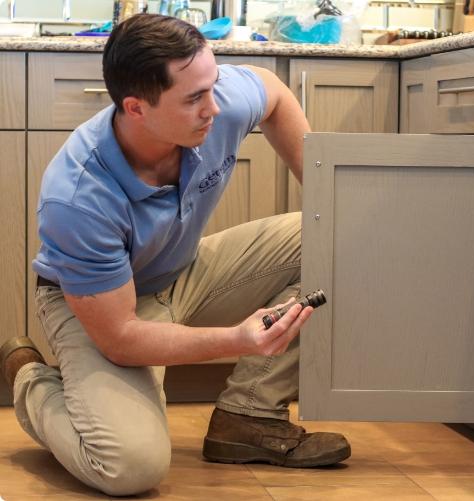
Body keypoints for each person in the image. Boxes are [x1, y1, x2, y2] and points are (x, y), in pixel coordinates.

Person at [0, 14, 350, 496]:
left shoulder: (214, 100)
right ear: (136, 108)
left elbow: (272, 93)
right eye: (194, 99)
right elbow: (122, 337)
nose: (214, 107)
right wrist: (237, 339)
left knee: (342, 233)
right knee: (130, 468)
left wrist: (321, 196)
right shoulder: (78, 197)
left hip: (182, 273)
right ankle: (29, 377)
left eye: (213, 86)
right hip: (100, 309)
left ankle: (248, 415)